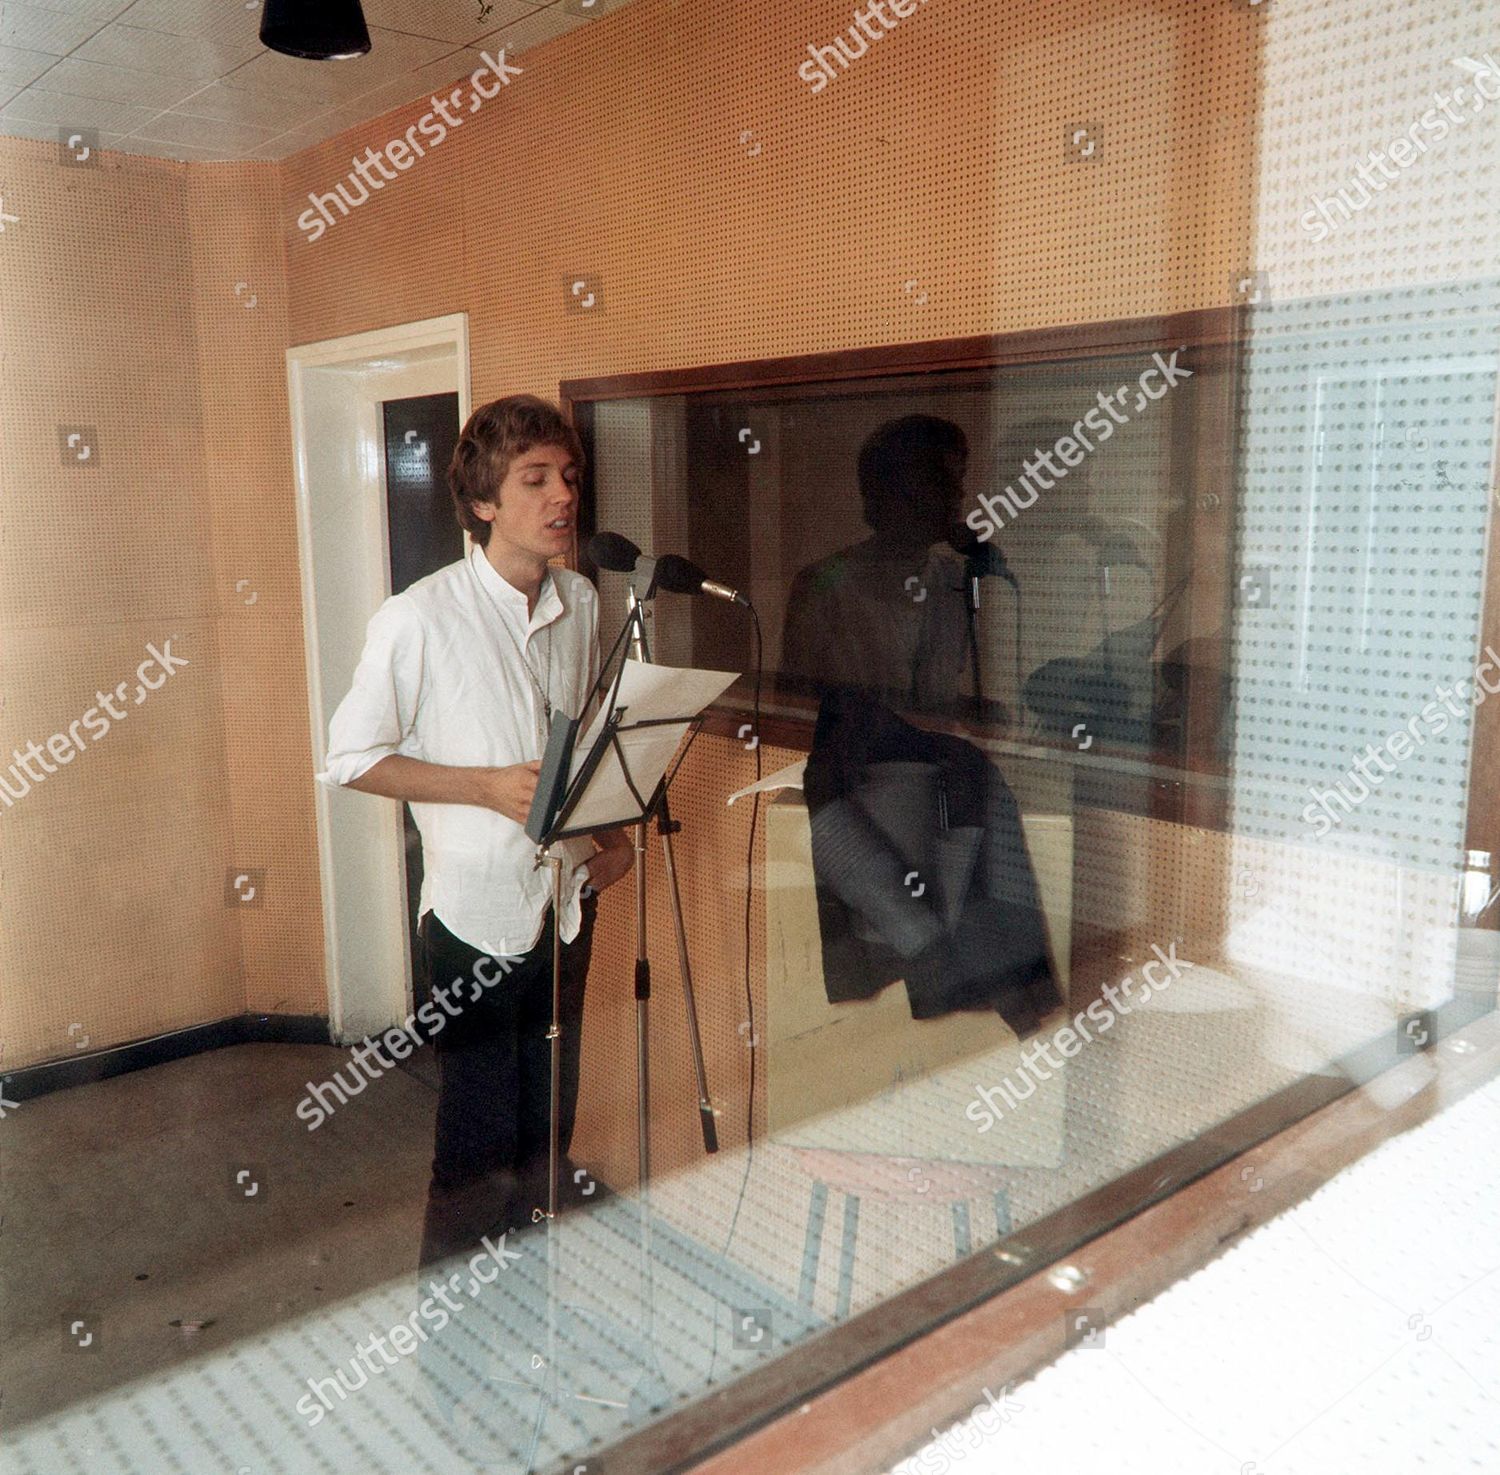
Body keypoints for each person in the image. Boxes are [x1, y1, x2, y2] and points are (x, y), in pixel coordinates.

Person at [318, 394, 633, 1267]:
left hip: (566, 907)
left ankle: (526, 1324)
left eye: (567, 476)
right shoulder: (418, 617)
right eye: (534, 480)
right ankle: (456, 1364)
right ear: (484, 503)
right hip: (474, 920)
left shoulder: (580, 601)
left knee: (545, 1139)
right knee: (476, 1150)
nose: (561, 496)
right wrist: (484, 788)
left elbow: (581, 740)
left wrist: (609, 837)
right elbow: (351, 758)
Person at [781, 414, 977, 717]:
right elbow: (795, 704)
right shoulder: (823, 585)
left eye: (959, 478)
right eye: (941, 480)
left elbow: (938, 693)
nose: (958, 494)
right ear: (895, 490)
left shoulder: (953, 578)